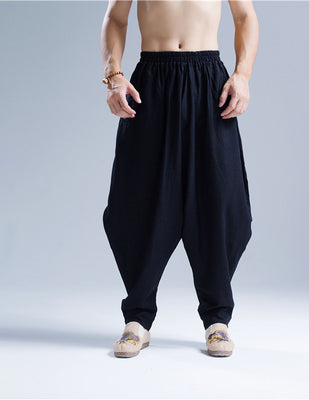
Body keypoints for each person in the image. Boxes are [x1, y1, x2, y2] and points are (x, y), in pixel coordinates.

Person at [100, 0, 259, 358]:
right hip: (152, 82)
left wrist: (243, 75)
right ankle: (137, 318)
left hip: (209, 81)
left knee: (220, 200)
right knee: (137, 199)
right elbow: (115, 17)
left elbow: (245, 16)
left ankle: (217, 319)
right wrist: (114, 76)